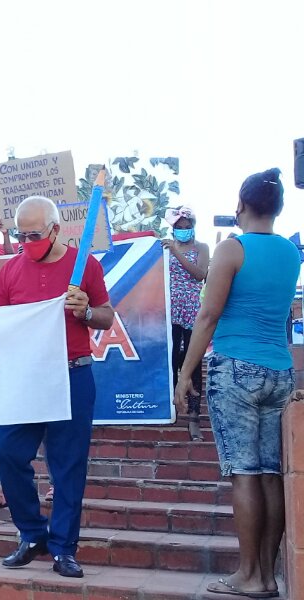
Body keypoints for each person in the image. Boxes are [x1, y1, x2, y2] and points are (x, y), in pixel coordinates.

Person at [0, 196, 114, 578]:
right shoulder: (10, 270)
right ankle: (32, 534)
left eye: (33, 234)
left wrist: (85, 311)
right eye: (19, 234)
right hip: (26, 377)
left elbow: (106, 317)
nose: (26, 241)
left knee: (68, 466)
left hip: (72, 373)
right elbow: (0, 328)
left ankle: (64, 548)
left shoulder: (85, 264)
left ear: (56, 229)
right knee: (8, 450)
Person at [175, 168, 300, 599]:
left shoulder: (232, 249)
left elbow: (207, 317)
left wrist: (185, 371)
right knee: (270, 475)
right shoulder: (290, 253)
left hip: (235, 370)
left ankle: (249, 575)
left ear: (241, 206)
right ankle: (266, 574)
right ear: (278, 209)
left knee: (244, 473)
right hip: (280, 371)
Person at [162, 206, 210, 441]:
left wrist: (177, 253)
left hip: (192, 312)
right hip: (170, 312)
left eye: (187, 228)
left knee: (193, 363)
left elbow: (200, 274)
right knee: (170, 361)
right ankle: (170, 409)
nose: (183, 232)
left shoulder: (201, 248)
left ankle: (194, 417)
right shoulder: (165, 249)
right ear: (172, 230)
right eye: (178, 228)